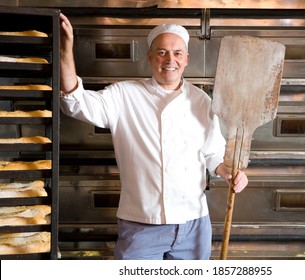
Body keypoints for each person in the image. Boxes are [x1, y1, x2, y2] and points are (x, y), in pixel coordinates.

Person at [59, 13, 248, 260]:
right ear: (149, 57)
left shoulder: (202, 100)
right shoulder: (124, 95)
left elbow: (213, 153)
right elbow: (75, 102)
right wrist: (65, 51)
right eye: (162, 52)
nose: (170, 60)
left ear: (187, 59)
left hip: (193, 223)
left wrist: (228, 171)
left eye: (177, 53)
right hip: (141, 223)